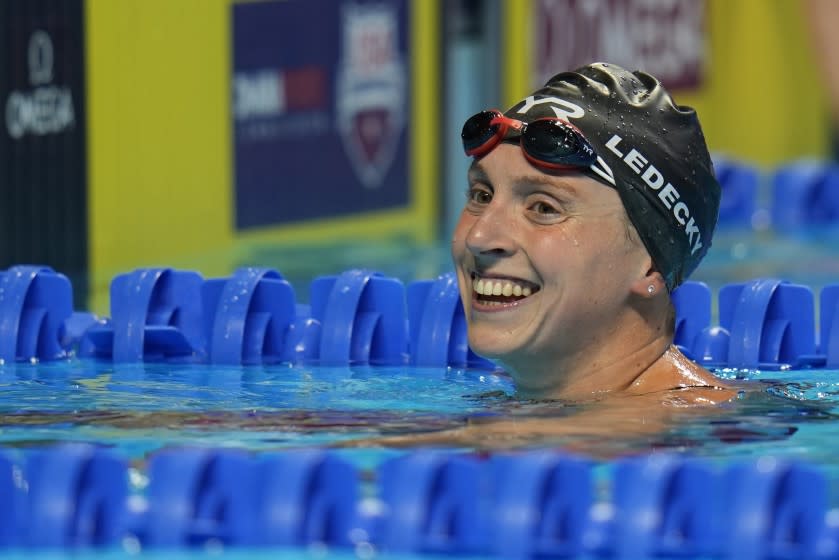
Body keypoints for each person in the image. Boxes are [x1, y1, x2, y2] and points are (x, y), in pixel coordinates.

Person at [351, 62, 738, 451]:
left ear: (651, 264)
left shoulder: (704, 429)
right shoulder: (517, 413)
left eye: (544, 208)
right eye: (482, 196)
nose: (480, 236)